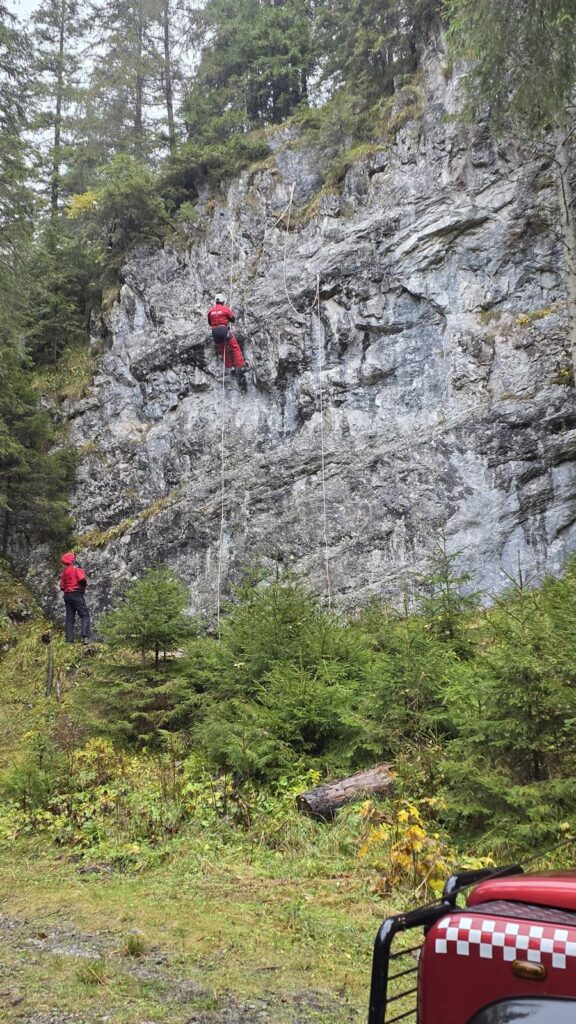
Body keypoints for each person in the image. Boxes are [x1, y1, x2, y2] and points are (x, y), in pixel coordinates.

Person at [207, 294, 248, 375]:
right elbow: (233, 319)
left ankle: (230, 367)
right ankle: (241, 365)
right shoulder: (225, 308)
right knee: (234, 347)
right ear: (223, 301)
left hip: (215, 333)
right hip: (223, 330)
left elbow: (210, 323)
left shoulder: (210, 311)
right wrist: (225, 319)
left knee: (223, 350)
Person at [59, 551, 91, 644]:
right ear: (72, 559)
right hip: (76, 593)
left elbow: (62, 586)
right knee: (85, 615)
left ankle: (69, 640)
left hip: (67, 595)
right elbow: (82, 578)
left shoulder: (65, 571)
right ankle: (85, 638)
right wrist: (83, 585)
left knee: (69, 618)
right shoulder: (76, 566)